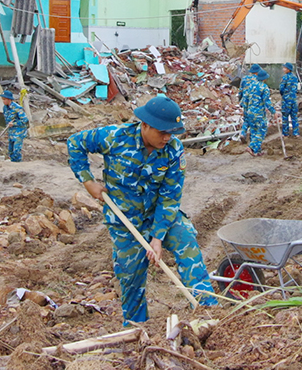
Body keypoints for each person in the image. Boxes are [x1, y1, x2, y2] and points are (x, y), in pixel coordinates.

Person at [66, 96, 217, 323]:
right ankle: (137, 327)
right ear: (145, 125)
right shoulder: (114, 137)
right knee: (131, 277)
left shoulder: (173, 150)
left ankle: (207, 310)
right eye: (162, 132)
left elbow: (170, 196)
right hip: (125, 222)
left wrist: (157, 237)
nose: (167, 137)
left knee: (186, 241)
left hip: (160, 215)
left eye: (171, 132)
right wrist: (88, 181)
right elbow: (75, 143)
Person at [243, 69, 275, 156]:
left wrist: (245, 110)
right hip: (259, 113)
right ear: (264, 78)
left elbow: (245, 98)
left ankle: (256, 151)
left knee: (254, 131)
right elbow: (266, 101)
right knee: (262, 130)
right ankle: (251, 147)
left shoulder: (251, 86)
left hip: (250, 111)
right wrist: (273, 111)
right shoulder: (264, 87)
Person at [1, 89, 29, 162]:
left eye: (4, 99)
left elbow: (25, 120)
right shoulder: (5, 108)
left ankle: (18, 164)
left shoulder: (17, 108)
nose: (3, 101)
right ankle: (12, 163)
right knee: (10, 150)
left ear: (9, 99)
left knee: (16, 150)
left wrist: (14, 124)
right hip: (11, 132)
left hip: (19, 131)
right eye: (2, 99)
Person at [237, 64, 261, 142]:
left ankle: (243, 133)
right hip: (254, 103)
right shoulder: (258, 79)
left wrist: (240, 100)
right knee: (254, 120)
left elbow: (240, 91)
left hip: (245, 101)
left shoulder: (245, 78)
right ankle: (252, 138)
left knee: (246, 119)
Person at [279, 62, 300, 137]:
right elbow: (296, 88)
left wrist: (283, 95)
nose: (283, 69)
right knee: (294, 116)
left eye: (284, 68)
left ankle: (285, 133)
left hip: (286, 100)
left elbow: (281, 88)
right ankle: (296, 133)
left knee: (285, 117)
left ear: (288, 69)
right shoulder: (295, 77)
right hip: (294, 99)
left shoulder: (285, 77)